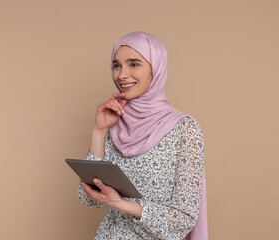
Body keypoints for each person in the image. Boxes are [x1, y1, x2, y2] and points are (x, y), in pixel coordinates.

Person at [77, 31, 207, 240]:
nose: (121, 75)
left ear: (156, 69)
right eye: (117, 65)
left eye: (134, 64)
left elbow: (184, 218)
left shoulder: (184, 129)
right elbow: (87, 198)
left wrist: (124, 205)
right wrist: (99, 131)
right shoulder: (115, 123)